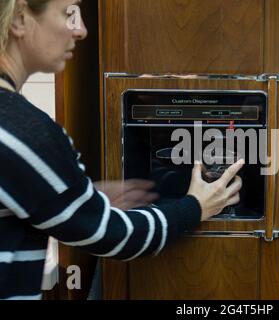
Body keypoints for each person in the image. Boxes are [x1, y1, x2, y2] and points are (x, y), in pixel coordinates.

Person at [0, 0, 244, 300]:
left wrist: (83, 198)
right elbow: (115, 236)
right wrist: (196, 207)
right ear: (20, 18)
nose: (82, 31)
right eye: (68, 13)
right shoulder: (21, 131)